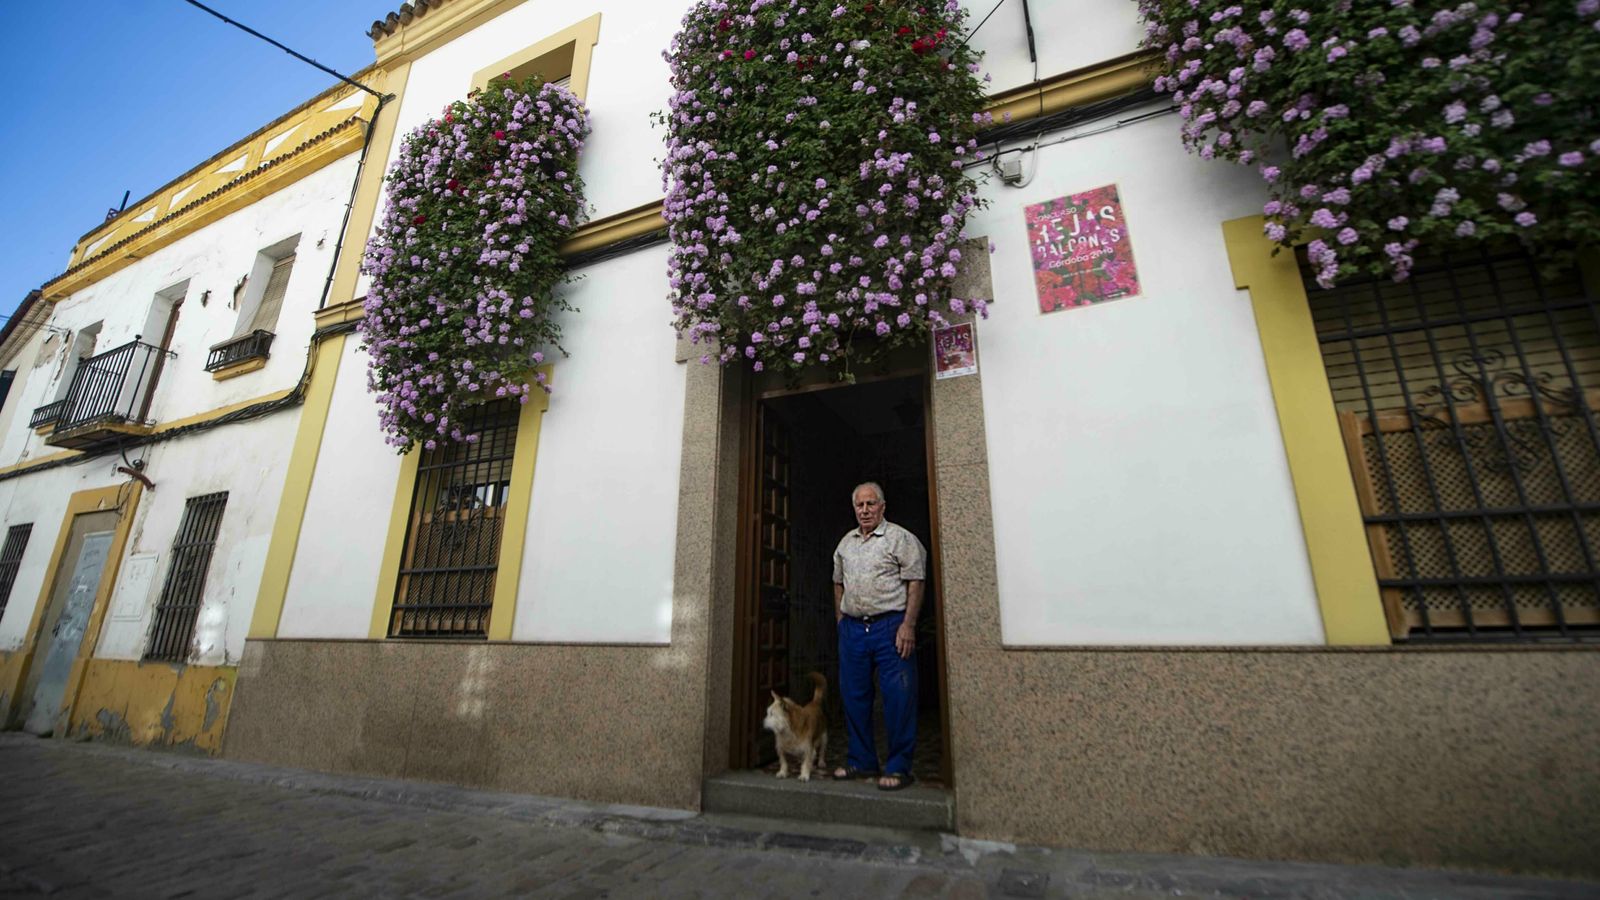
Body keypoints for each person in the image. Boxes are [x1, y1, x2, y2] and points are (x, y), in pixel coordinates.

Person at [831, 481, 926, 791]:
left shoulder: (900, 538)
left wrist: (908, 625)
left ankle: (899, 766)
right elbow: (837, 582)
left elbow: (915, 581)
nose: (865, 510)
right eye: (860, 505)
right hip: (854, 629)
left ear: (882, 507)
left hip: (891, 626)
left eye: (871, 504)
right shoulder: (845, 543)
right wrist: (841, 620)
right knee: (854, 697)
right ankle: (861, 761)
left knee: (899, 696)